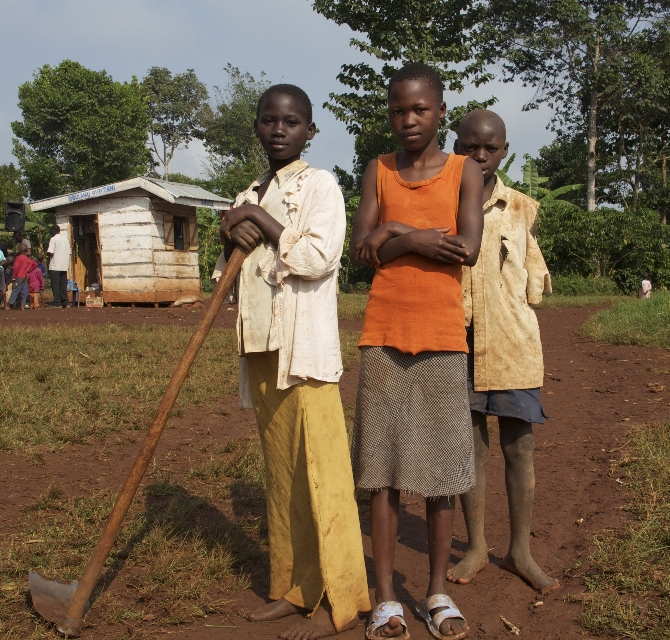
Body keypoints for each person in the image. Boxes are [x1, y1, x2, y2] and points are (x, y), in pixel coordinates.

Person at [213, 84, 370, 640]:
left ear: (310, 131)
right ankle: (294, 587)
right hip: (260, 350)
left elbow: (316, 256)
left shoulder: (320, 185)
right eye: (268, 120)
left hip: (304, 352)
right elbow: (230, 271)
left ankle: (343, 601)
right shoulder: (247, 191)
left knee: (323, 477)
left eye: (291, 122)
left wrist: (259, 219)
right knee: (281, 480)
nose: (279, 130)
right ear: (256, 126)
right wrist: (231, 225)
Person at [349, 63, 483, 640]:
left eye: (420, 110)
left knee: (441, 472)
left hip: (442, 338)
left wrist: (394, 237)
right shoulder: (376, 170)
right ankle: (385, 599)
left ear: (440, 112)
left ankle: (436, 591)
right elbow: (359, 253)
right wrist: (411, 233)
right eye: (398, 111)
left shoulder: (464, 172)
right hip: (382, 335)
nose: (408, 120)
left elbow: (467, 249)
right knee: (380, 473)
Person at [446, 110, 559, 595]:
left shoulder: (520, 208)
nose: (479, 156)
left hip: (514, 344)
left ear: (504, 151)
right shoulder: (442, 203)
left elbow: (532, 282)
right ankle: (475, 545)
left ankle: (519, 550)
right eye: (469, 146)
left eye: (489, 148)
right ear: (456, 146)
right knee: (470, 446)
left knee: (520, 446)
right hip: (459, 341)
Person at [46, 225, 71, 308]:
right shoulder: (66, 239)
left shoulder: (53, 239)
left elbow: (51, 252)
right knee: (63, 284)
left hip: (55, 265)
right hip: (64, 265)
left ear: (53, 231)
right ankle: (65, 302)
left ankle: (57, 303)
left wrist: (47, 253)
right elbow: (69, 252)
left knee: (55, 284)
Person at [9, 245, 36, 310]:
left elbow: (16, 268)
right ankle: (22, 305)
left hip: (19, 276)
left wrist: (14, 277)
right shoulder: (27, 259)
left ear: (19, 250)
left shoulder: (18, 258)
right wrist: (28, 271)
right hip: (26, 276)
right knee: (24, 290)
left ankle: (10, 304)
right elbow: (35, 264)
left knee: (16, 290)